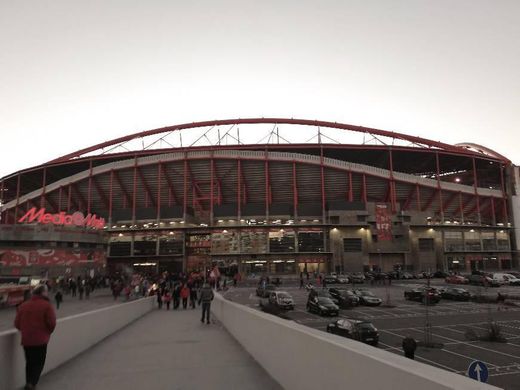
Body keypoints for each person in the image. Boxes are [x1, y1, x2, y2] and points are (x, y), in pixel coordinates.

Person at [14, 284, 56, 390]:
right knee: (39, 363)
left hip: (26, 340)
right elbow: (52, 323)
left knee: (29, 363)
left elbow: (17, 324)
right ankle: (32, 384)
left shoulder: (23, 305)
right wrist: (47, 332)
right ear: (42, 293)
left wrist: (26, 331)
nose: (48, 293)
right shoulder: (47, 305)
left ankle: (29, 382)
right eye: (46, 291)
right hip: (41, 340)